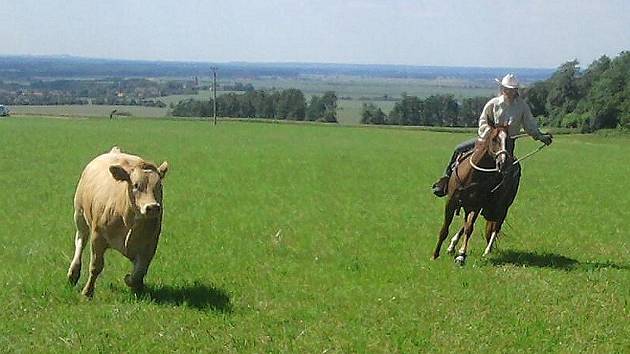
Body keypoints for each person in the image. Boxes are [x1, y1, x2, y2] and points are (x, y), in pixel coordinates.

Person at [431, 73, 553, 197]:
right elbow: (483, 121)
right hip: (489, 141)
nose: (510, 92)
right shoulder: (493, 104)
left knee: (514, 170)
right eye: (508, 89)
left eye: (513, 89)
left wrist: (541, 137)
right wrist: (490, 134)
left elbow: (530, 125)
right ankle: (446, 181)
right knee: (459, 149)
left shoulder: (522, 106)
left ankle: (502, 199)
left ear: (516, 90)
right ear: (503, 89)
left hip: (508, 144)